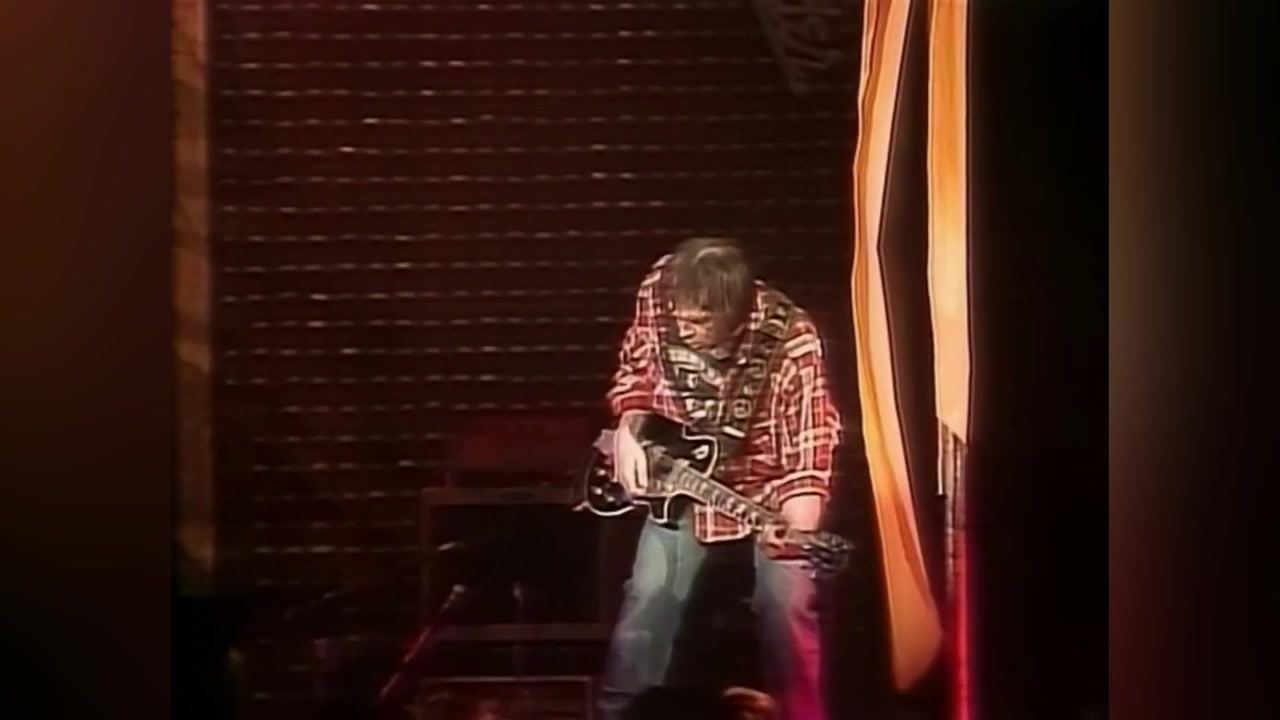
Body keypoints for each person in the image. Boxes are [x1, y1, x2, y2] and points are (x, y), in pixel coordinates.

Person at [599, 237, 842, 720]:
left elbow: (809, 452)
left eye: (701, 321)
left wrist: (797, 527)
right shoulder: (660, 289)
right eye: (680, 317)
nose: (684, 328)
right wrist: (628, 429)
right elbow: (636, 369)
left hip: (765, 493)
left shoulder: (792, 341)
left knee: (789, 608)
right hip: (680, 484)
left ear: (737, 312)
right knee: (648, 600)